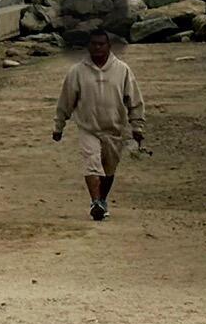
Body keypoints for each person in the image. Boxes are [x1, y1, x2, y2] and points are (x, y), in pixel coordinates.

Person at [54, 30, 145, 221]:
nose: (97, 47)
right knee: (92, 164)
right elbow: (66, 101)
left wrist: (137, 126)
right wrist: (59, 126)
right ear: (88, 46)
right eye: (93, 44)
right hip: (89, 129)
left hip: (114, 129)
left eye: (101, 44)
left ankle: (102, 199)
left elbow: (134, 100)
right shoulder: (77, 71)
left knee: (109, 169)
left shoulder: (122, 70)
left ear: (108, 46)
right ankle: (95, 202)